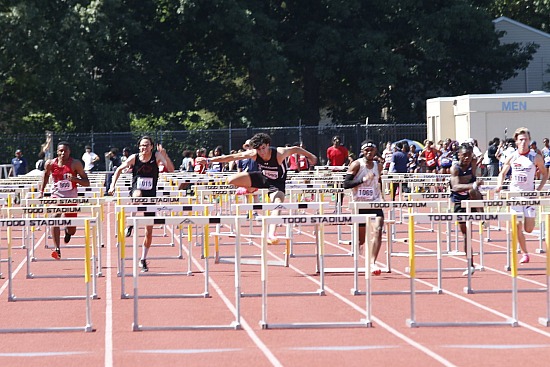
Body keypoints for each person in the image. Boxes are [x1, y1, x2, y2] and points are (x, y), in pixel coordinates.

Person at [195, 133, 317, 244]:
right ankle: (251, 188)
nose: (262, 152)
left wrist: (311, 157)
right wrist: (209, 160)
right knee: (231, 180)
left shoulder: (280, 153)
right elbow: (233, 157)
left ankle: (271, 233)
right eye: (258, 150)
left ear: (268, 145)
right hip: (262, 178)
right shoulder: (254, 154)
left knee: (278, 203)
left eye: (263, 148)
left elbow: (296, 149)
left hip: (277, 183)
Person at [108, 136, 175, 272]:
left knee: (148, 232)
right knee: (137, 196)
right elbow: (119, 169)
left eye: (146, 145)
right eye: (141, 145)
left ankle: (143, 259)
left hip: (151, 195)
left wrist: (165, 156)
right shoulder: (134, 157)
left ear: (151, 146)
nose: (144, 148)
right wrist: (112, 186)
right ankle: (130, 224)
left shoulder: (156, 156)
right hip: (136, 190)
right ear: (139, 147)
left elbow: (171, 169)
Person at [496, 127, 548, 264]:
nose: (524, 142)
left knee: (529, 229)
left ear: (529, 140)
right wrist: (499, 185)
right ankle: (525, 253)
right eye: (521, 140)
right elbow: (502, 172)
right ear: (516, 141)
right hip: (515, 195)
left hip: (529, 196)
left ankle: (524, 246)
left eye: (526, 139)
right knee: (517, 224)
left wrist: (538, 189)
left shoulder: (535, 157)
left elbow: (545, 173)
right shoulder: (512, 156)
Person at [39, 141, 90, 259]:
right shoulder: (50, 163)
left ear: (69, 152)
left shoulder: (75, 164)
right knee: (55, 217)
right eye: (61, 151)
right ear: (57, 152)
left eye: (65, 151)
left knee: (72, 229)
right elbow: (46, 175)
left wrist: (74, 179)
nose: (63, 153)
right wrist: (42, 191)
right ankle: (57, 249)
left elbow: (86, 183)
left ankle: (68, 232)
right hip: (56, 196)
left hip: (71, 197)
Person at [343, 140, 385, 275]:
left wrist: (382, 196)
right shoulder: (356, 164)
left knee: (378, 229)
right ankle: (359, 247)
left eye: (371, 150)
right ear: (362, 151)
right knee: (361, 240)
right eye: (366, 150)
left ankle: (372, 262)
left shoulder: (378, 166)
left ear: (375, 151)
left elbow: (379, 181)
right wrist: (362, 180)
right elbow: (346, 184)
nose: (369, 152)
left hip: (374, 202)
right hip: (359, 203)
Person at [449, 143, 484, 276]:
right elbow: (456, 187)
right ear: (458, 155)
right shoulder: (455, 169)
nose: (467, 158)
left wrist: (475, 185)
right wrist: (473, 184)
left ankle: (482, 217)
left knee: (474, 191)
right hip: (459, 202)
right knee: (466, 234)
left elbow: (475, 179)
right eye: (464, 155)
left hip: (472, 199)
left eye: (469, 155)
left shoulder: (473, 163)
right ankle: (470, 264)